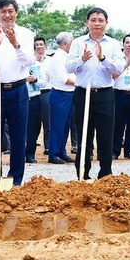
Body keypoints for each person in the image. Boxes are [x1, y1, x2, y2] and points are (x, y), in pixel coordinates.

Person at [0, 0, 35, 186]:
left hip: (18, 89)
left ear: (16, 12)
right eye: (3, 11)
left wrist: (15, 43)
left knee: (19, 136)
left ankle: (15, 179)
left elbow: (29, 61)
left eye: (10, 11)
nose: (7, 15)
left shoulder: (26, 34)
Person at [66, 8, 124, 179]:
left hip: (105, 94)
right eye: (93, 20)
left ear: (106, 22)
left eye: (100, 20)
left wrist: (103, 58)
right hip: (82, 93)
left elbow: (119, 68)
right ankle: (83, 173)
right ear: (87, 23)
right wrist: (82, 59)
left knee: (106, 136)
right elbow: (68, 67)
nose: (97, 23)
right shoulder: (78, 43)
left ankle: (105, 173)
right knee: (84, 135)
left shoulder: (112, 44)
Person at [44, 32, 76, 164]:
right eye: (72, 42)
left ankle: (62, 151)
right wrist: (82, 82)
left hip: (70, 94)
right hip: (60, 94)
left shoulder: (67, 56)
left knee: (66, 125)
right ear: (65, 44)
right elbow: (64, 79)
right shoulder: (58, 57)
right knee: (57, 125)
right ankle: (54, 154)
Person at [26, 36, 51, 163]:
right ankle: (22, 153)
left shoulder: (40, 65)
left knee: (39, 124)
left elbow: (43, 81)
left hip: (39, 95)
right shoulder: (23, 63)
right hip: (24, 96)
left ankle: (31, 153)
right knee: (27, 126)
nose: (39, 47)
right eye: (36, 45)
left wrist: (34, 79)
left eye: (41, 44)